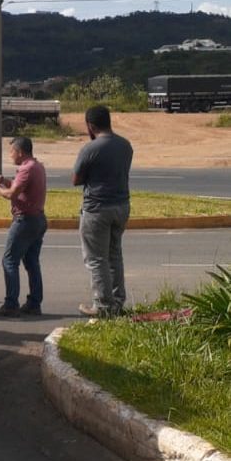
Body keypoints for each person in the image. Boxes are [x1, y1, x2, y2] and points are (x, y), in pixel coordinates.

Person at [72, 105, 133, 317]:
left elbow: (76, 179)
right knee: (114, 255)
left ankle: (103, 306)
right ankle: (117, 301)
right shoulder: (126, 145)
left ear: (90, 125)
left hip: (97, 208)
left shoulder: (90, 149)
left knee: (96, 259)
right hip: (122, 206)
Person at [0, 136, 48, 318]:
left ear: (20, 152)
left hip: (25, 221)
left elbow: (12, 193)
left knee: (9, 261)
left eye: (11, 151)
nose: (10, 155)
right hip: (38, 219)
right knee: (31, 262)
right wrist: (4, 181)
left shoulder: (26, 169)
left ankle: (11, 304)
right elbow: (20, 188)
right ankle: (34, 303)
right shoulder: (37, 166)